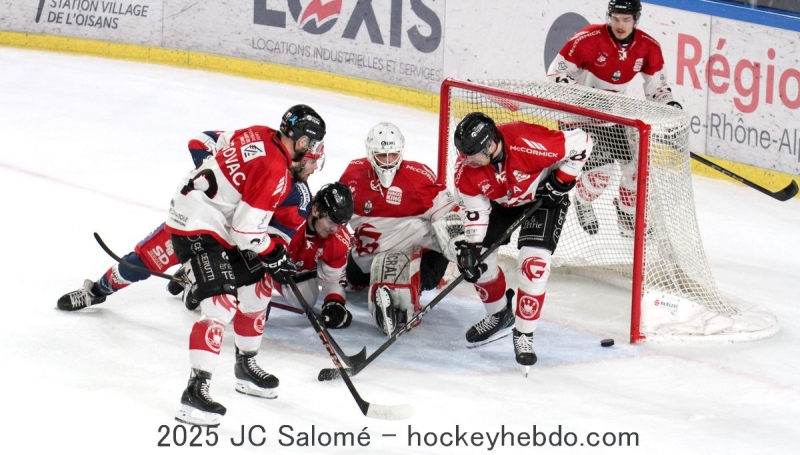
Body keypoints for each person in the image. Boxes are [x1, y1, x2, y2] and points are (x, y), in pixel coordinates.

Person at [166, 104, 326, 426]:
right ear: (302, 141)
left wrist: (269, 256)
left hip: (210, 218)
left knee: (260, 284)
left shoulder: (259, 132)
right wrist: (274, 253)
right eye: (314, 143)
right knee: (220, 305)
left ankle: (245, 366)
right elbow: (245, 231)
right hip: (199, 227)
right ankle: (195, 392)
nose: (315, 150)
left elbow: (222, 143)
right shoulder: (277, 172)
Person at [55, 130, 322, 312]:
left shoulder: (297, 195)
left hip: (232, 245)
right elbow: (201, 141)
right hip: (196, 222)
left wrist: (271, 255)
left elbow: (279, 236)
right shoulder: (259, 151)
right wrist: (216, 173)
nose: (313, 171)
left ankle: (193, 281)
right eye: (313, 163)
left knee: (244, 289)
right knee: (141, 262)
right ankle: (97, 291)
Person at [452, 112, 593, 375]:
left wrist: (561, 181)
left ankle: (524, 333)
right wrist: (471, 246)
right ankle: (499, 314)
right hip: (505, 202)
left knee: (533, 266)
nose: (464, 160)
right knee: (476, 260)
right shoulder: (467, 172)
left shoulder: (527, 141)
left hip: (543, 199)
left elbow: (582, 141)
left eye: (471, 154)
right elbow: (477, 211)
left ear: (490, 146)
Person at [546, 0, 682, 237]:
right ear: (609, 17)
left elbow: (657, 89)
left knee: (635, 169)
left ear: (635, 20)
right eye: (616, 18)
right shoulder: (587, 39)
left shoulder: (648, 47)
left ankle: (627, 216)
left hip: (611, 117)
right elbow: (557, 73)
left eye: (626, 20)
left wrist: (669, 106)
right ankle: (583, 200)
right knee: (603, 173)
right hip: (579, 117)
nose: (620, 25)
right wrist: (584, 98)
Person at [338, 122, 462, 336]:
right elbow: (337, 214)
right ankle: (384, 291)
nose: (387, 163)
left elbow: (450, 214)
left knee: (426, 277)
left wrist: (460, 246)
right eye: (381, 156)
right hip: (369, 255)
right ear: (371, 153)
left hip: (417, 250)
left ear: (401, 152)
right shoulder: (353, 176)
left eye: (392, 155)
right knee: (354, 276)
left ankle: (403, 305)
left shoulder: (417, 177)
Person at [263, 182, 355, 329]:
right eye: (331, 222)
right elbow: (255, 242)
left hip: (292, 267)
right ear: (316, 210)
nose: (335, 229)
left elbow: (334, 278)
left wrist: (334, 301)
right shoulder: (293, 215)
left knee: (306, 299)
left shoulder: (338, 239)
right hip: (259, 256)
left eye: (341, 224)